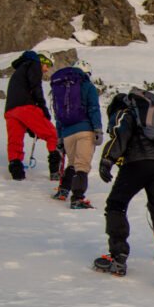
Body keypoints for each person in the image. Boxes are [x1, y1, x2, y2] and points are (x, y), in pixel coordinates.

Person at [94, 91, 154, 292]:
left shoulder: (128, 110)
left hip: (138, 161)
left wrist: (107, 159)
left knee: (116, 205)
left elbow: (121, 133)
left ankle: (118, 258)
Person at [50, 60, 103, 209]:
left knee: (72, 164)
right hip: (85, 131)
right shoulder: (87, 86)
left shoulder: (62, 88)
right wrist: (97, 129)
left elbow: (58, 115)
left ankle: (63, 190)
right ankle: (77, 198)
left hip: (67, 133)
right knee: (82, 166)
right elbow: (93, 109)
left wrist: (60, 136)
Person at [4, 50, 60, 181]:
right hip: (26, 107)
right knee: (52, 134)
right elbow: (36, 87)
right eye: (47, 65)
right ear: (42, 60)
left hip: (11, 110)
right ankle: (54, 170)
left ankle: (17, 173)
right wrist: (43, 107)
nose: (46, 69)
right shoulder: (34, 64)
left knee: (15, 141)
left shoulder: (19, 70)